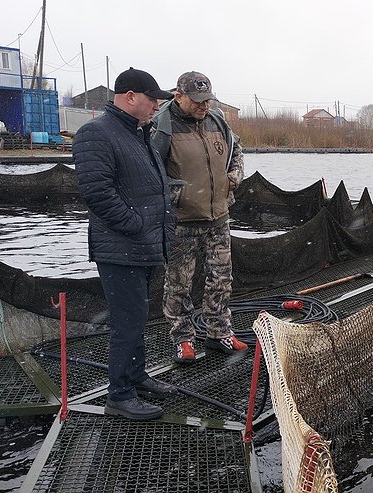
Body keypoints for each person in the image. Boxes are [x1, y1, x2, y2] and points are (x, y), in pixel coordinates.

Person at [73, 67, 178, 421]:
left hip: (145, 245)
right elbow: (97, 193)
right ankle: (119, 394)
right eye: (152, 100)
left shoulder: (138, 132)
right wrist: (135, 224)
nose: (156, 107)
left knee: (138, 316)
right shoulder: (96, 133)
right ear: (130, 96)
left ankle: (136, 376)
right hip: (121, 248)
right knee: (126, 322)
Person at [152, 71, 247, 364]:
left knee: (221, 278)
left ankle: (219, 333)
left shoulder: (218, 121)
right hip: (181, 222)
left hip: (218, 216)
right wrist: (173, 197)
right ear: (178, 96)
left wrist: (234, 176)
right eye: (196, 101)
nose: (203, 106)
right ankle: (183, 338)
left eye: (207, 100)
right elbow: (149, 171)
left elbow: (237, 151)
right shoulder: (161, 127)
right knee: (179, 283)